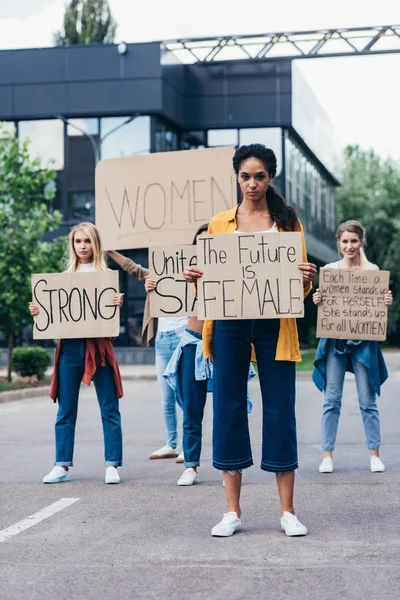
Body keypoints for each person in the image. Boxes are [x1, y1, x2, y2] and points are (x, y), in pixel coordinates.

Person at [183, 144, 316, 537]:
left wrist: (306, 280)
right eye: (245, 176)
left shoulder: (288, 222)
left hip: (275, 324)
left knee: (280, 409)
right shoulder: (219, 224)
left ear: (270, 177)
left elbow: (299, 288)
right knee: (227, 407)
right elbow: (211, 276)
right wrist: (197, 278)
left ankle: (287, 511)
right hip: (229, 324)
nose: (252, 184)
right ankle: (231, 511)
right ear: (237, 178)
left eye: (259, 176)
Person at [160, 224, 256, 487]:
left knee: (227, 409)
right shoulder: (187, 273)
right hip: (192, 343)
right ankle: (191, 465)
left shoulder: (233, 271)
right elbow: (164, 298)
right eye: (200, 242)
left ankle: (229, 468)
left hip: (224, 343)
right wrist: (152, 287)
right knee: (192, 409)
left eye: (210, 241)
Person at [29, 222, 124, 484]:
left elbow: (110, 322)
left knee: (109, 406)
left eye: (87, 241)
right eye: (78, 242)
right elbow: (54, 313)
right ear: (72, 245)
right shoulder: (64, 277)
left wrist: (117, 305)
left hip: (99, 346)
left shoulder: (106, 276)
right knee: (66, 408)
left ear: (96, 244)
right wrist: (40, 311)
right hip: (70, 346)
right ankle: (61, 464)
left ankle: (112, 464)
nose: (82, 246)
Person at [312, 220, 393, 474]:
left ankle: (374, 454)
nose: (349, 246)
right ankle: (327, 455)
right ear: (339, 243)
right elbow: (326, 305)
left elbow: (376, 308)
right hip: (335, 340)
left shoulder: (372, 272)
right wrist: (318, 299)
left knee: (367, 400)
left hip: (363, 343)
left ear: (361, 242)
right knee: (331, 399)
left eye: (354, 241)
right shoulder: (330, 270)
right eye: (345, 241)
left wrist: (385, 300)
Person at [108, 249, 187, 461]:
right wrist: (109, 250)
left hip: (184, 337)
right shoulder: (155, 275)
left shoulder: (193, 273)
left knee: (185, 395)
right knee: (166, 398)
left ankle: (188, 446)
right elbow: (131, 267)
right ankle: (171, 444)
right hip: (162, 339)